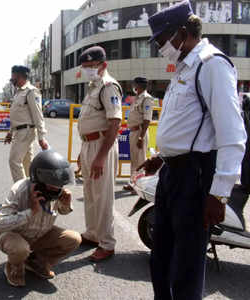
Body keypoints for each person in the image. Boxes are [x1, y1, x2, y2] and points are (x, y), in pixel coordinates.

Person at [142, 2, 247, 299]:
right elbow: (188, 127)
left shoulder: (212, 64)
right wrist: (162, 158)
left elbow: (232, 134)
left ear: (183, 33)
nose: (161, 47)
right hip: (172, 175)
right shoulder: (184, 66)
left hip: (195, 177)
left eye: (163, 40)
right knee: (160, 258)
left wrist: (219, 193)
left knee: (186, 266)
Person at [0, 150, 81, 287]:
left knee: (74, 239)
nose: (57, 188)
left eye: (59, 185)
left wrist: (66, 204)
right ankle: (14, 267)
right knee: (21, 249)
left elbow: (63, 211)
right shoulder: (20, 190)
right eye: (52, 184)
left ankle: (35, 262)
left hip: (38, 234)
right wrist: (31, 212)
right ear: (39, 179)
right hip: (14, 235)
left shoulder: (55, 192)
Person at [77, 46, 122, 261]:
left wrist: (101, 156)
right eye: (84, 67)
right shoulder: (93, 87)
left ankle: (107, 243)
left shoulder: (108, 87)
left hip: (101, 146)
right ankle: (93, 233)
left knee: (103, 196)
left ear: (103, 65)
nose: (86, 70)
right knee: (89, 192)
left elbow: (115, 123)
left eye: (90, 66)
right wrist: (82, 151)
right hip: (88, 145)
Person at [5, 65, 49, 183]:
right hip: (19, 131)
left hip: (25, 132)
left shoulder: (31, 91)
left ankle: (21, 193)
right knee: (27, 163)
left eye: (13, 77)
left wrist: (41, 137)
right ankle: (32, 192)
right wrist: (10, 132)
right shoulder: (19, 92)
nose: (11, 79)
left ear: (19, 76)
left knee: (14, 161)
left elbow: (38, 115)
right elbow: (17, 115)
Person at [123, 77, 154, 192]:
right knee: (134, 160)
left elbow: (147, 119)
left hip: (140, 132)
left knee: (140, 161)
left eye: (134, 84)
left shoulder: (146, 99)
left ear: (139, 86)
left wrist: (141, 136)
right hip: (133, 132)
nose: (133, 87)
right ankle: (133, 183)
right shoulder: (137, 98)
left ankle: (139, 186)